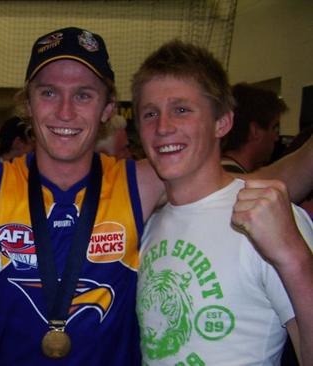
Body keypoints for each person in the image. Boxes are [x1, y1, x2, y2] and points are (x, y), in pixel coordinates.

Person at [0, 27, 313, 365]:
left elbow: (218, 187)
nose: (65, 110)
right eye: (48, 92)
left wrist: (291, 243)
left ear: (108, 108)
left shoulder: (139, 184)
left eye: (83, 95)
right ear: (27, 103)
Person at [133, 40, 313, 365]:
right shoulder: (149, 223)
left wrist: (294, 257)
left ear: (222, 123)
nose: (162, 127)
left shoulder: (267, 214)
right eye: (150, 114)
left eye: (181, 109)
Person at [221, 82, 286, 173]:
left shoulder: (219, 171)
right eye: (274, 128)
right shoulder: (237, 182)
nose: (276, 137)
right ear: (255, 131)